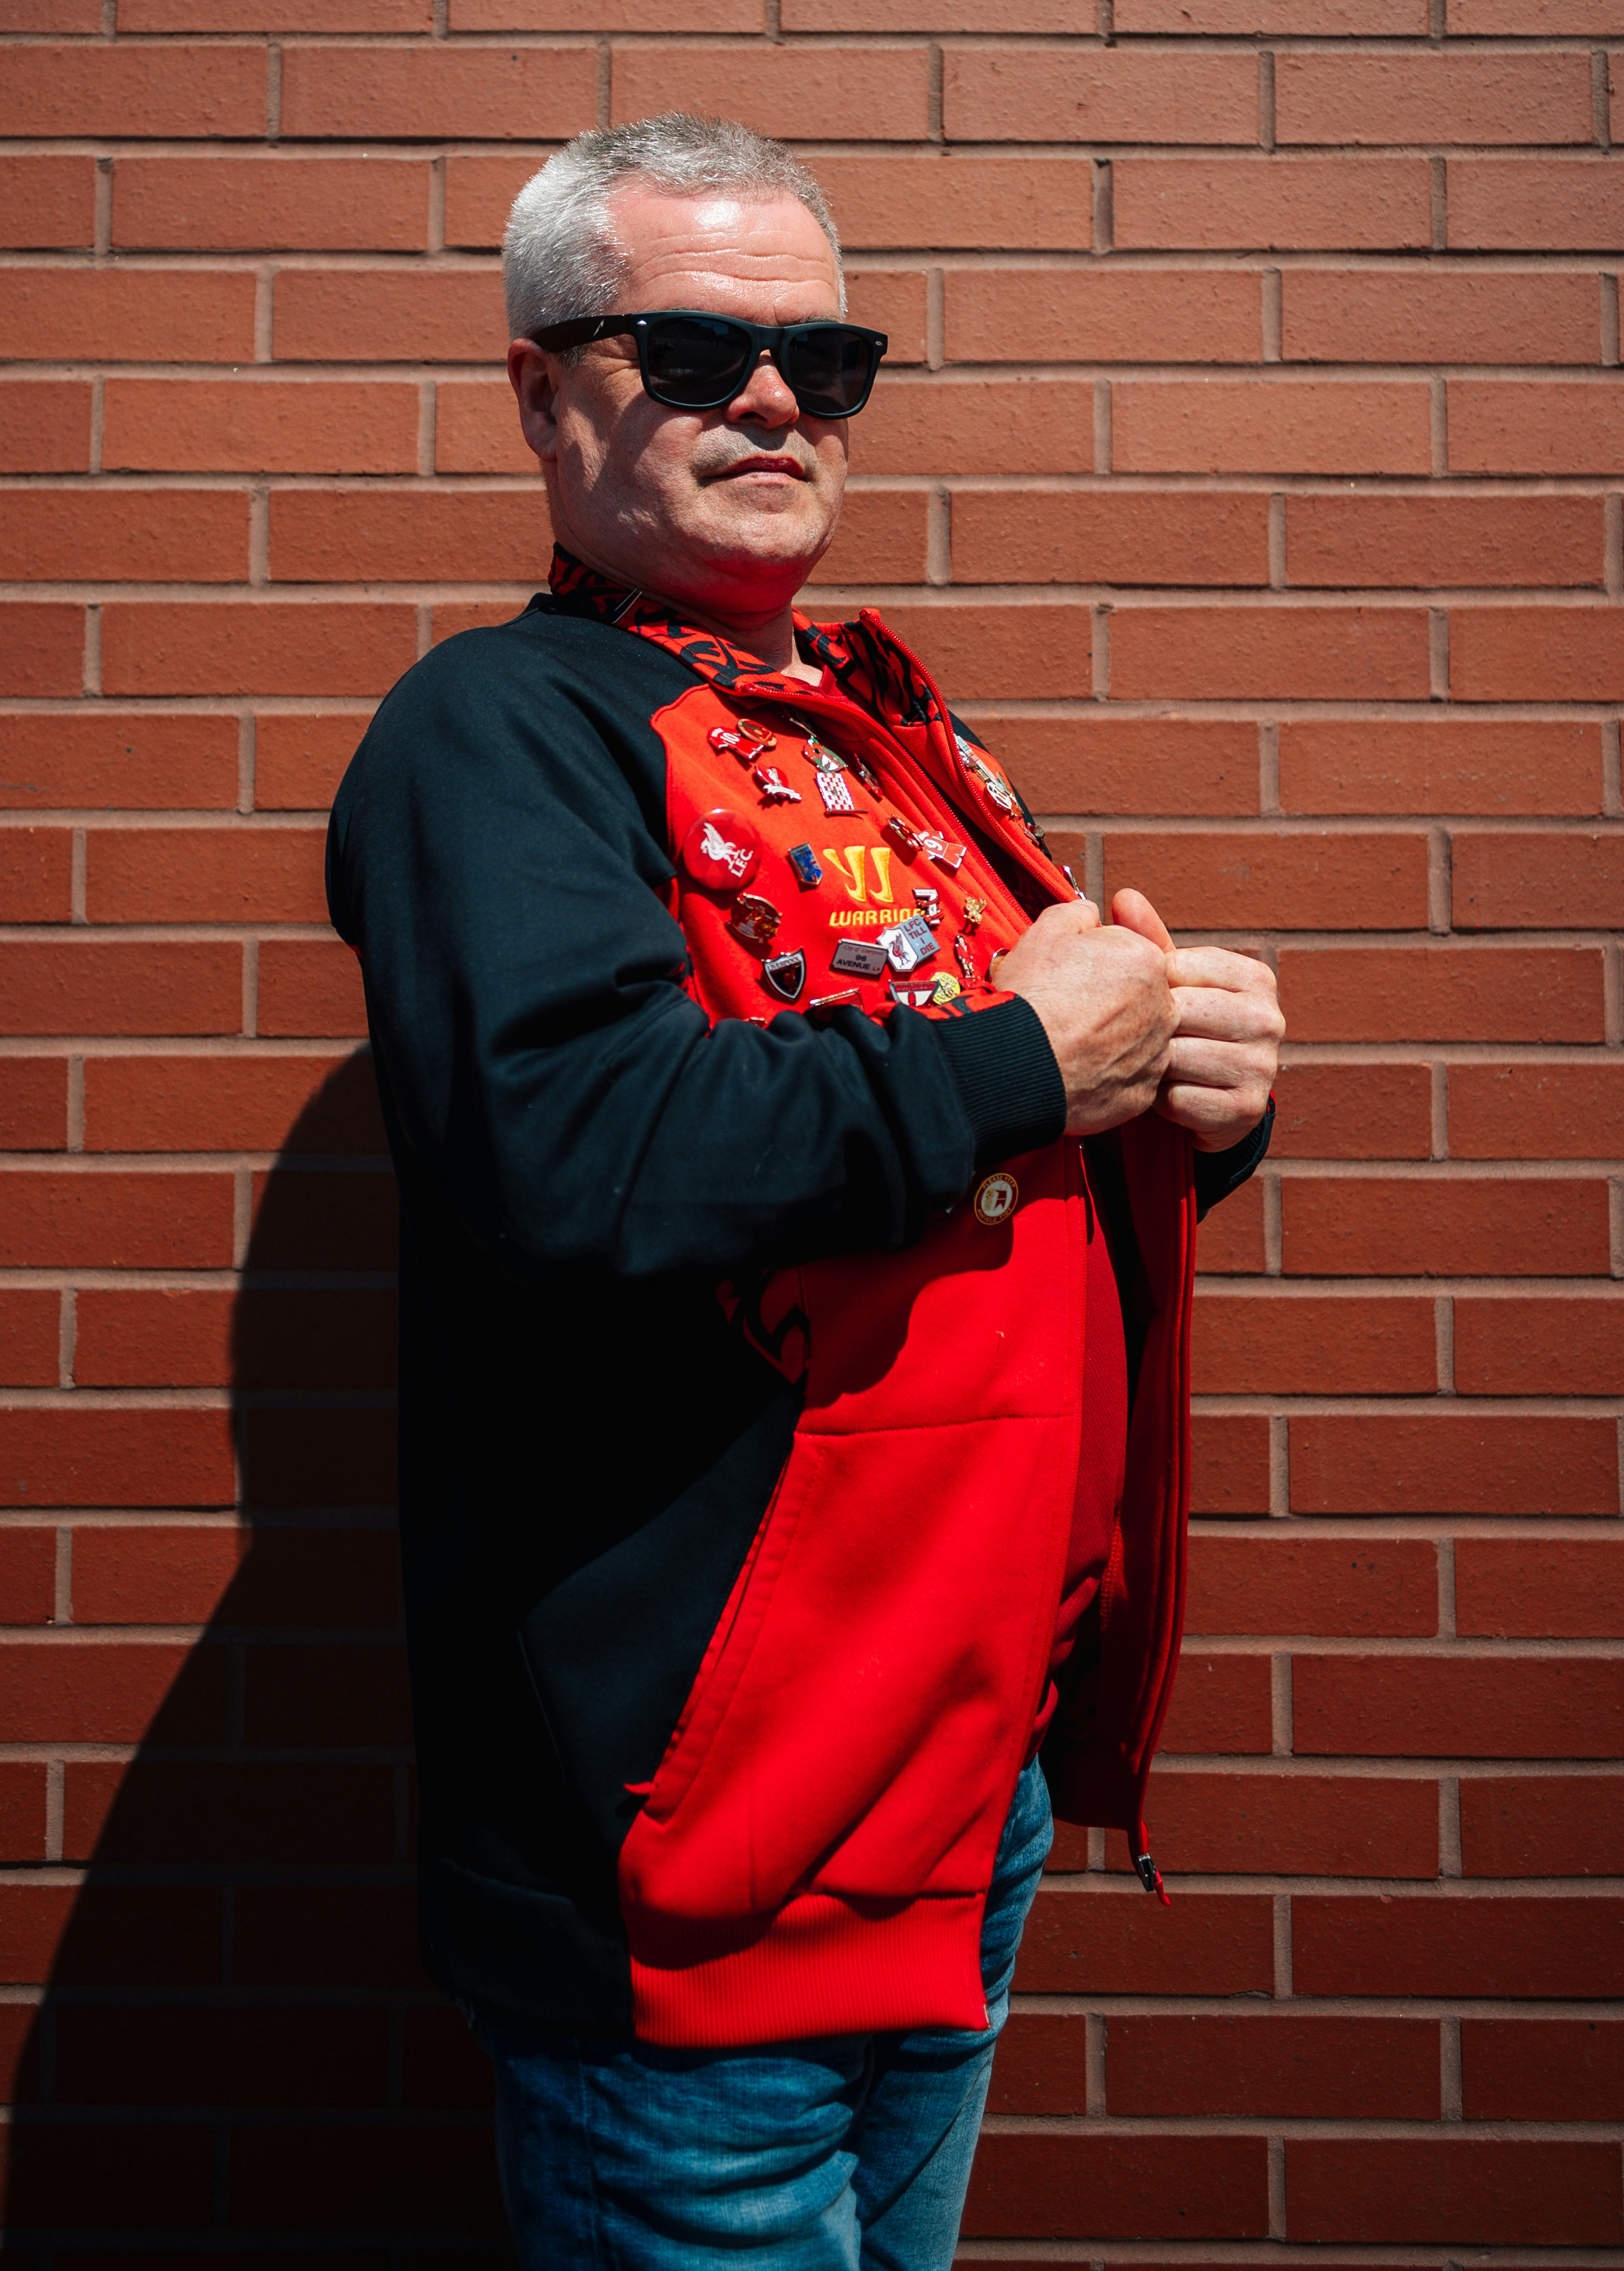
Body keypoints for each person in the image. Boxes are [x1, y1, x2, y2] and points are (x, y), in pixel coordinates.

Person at [326, 112, 1281, 2271]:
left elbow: (951, 1175)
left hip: (954, 1785)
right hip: (712, 1836)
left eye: (823, 360)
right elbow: (578, 1149)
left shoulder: (888, 732)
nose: (773, 398)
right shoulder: (501, 730)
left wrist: (1179, 1107)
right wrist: (1028, 1059)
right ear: (542, 391)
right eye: (693, 348)